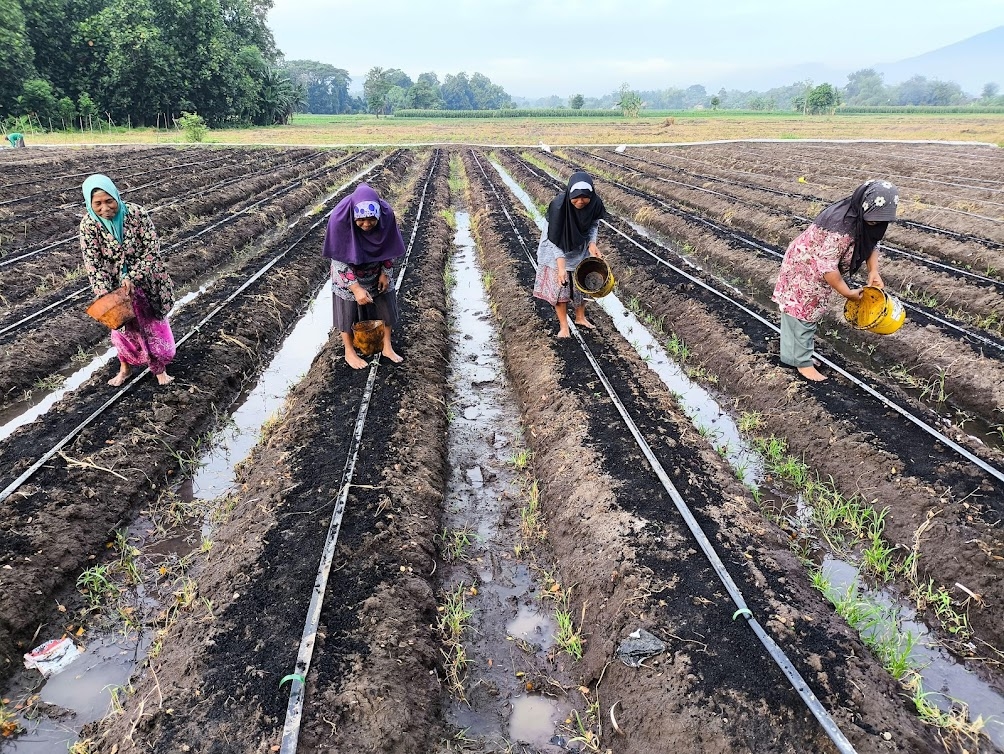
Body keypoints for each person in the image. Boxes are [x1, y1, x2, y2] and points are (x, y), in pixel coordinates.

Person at [772, 179, 899, 382]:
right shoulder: (841, 227)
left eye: (880, 220)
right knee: (803, 313)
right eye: (873, 219)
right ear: (864, 205)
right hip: (806, 266)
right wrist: (847, 292)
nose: (875, 224)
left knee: (802, 314)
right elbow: (827, 266)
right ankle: (802, 363)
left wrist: (873, 271)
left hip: (819, 265)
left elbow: (873, 243)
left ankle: (796, 356)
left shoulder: (868, 219)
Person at [80, 174, 176, 386]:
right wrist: (107, 294)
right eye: (98, 204)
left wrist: (132, 276)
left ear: (116, 196)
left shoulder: (136, 213)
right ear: (89, 203)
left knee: (151, 326)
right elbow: (93, 263)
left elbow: (152, 250)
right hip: (115, 289)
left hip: (146, 282)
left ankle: (159, 368)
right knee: (123, 331)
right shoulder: (89, 225)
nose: (105, 208)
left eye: (109, 201)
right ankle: (125, 368)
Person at [322, 183, 405, 369]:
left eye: (371, 220)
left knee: (386, 303)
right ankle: (349, 352)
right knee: (347, 309)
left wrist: (385, 272)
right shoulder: (339, 218)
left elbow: (390, 246)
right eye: (361, 220)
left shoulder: (387, 215)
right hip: (347, 268)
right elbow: (338, 257)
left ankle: (387, 347)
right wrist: (356, 287)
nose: (366, 224)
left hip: (375, 266)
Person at [533, 171, 606, 337]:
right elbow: (554, 239)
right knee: (561, 289)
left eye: (584, 197)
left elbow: (594, 225)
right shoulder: (559, 207)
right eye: (576, 197)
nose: (580, 202)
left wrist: (592, 243)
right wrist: (561, 267)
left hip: (579, 248)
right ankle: (564, 326)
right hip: (555, 249)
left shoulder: (594, 204)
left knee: (581, 285)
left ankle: (580, 317)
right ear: (569, 194)